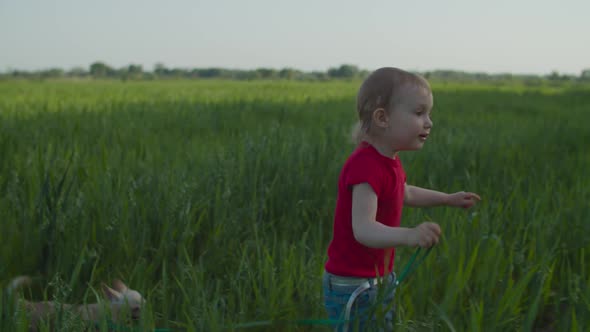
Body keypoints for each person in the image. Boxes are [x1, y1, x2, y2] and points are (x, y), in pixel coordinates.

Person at [323, 67, 481, 331]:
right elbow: (363, 229)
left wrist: (447, 199)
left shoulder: (388, 161)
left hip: (376, 279)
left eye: (428, 113)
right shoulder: (365, 166)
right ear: (383, 118)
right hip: (353, 286)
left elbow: (404, 192)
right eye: (419, 113)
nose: (429, 122)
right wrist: (409, 235)